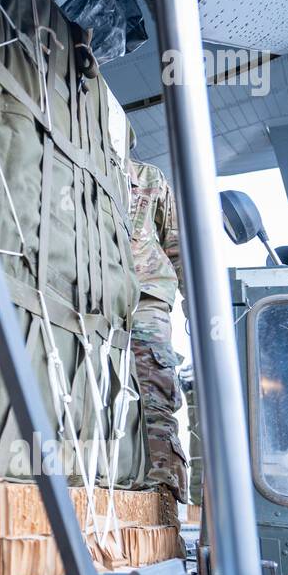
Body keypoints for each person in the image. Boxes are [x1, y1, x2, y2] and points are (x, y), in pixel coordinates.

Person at [128, 156, 190, 546]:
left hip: (145, 299)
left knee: (154, 407)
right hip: (86, 300)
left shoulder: (148, 178)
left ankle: (163, 526)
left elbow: (181, 249)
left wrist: (205, 317)